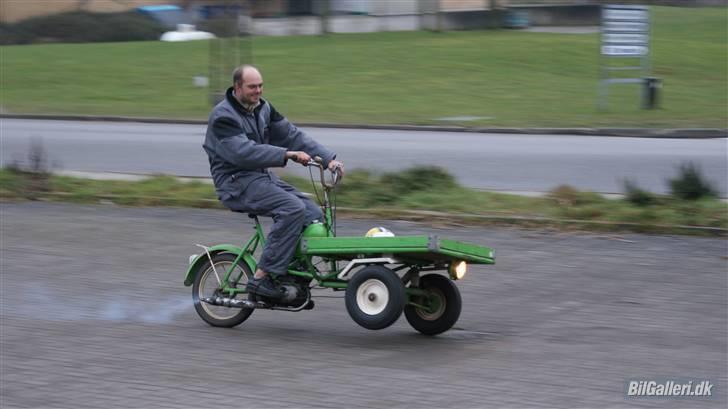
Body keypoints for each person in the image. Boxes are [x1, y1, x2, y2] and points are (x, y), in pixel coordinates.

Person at [203, 65, 344, 299]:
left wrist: (329, 160)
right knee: (291, 209)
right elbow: (243, 153)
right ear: (237, 87)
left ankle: (291, 271)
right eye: (252, 87)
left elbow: (292, 135)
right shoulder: (223, 116)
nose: (258, 91)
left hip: (261, 177)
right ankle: (261, 278)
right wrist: (286, 154)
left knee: (312, 212)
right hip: (235, 182)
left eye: (260, 85)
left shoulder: (263, 108)